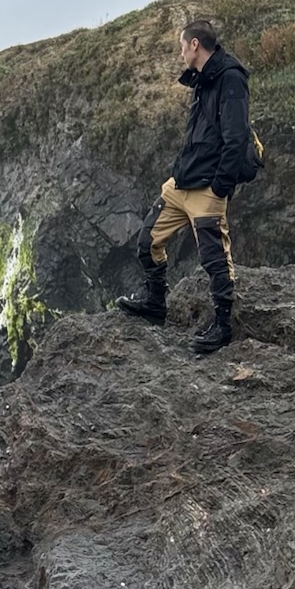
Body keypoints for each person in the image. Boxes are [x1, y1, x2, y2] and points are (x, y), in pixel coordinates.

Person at [117, 18, 252, 354]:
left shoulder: (230, 78)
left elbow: (236, 138)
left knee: (215, 259)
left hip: (208, 187)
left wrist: (220, 187)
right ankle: (155, 302)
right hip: (182, 182)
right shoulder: (202, 79)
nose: (180, 53)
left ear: (195, 45)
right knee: (147, 241)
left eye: (181, 46)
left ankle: (222, 326)